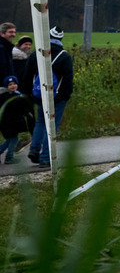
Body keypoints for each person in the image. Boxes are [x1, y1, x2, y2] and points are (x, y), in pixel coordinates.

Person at [28, 26, 73, 168]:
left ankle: (34, 150)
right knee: (52, 126)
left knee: (40, 122)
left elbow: (27, 75)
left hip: (39, 95)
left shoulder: (36, 54)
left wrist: (31, 94)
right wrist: (65, 96)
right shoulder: (64, 56)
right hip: (56, 97)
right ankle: (45, 158)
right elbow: (68, 79)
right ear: (61, 38)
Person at [0, 75, 33, 163]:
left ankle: (1, 150)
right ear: (6, 86)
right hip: (9, 123)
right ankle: (9, 157)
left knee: (10, 139)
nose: (13, 86)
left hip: (12, 123)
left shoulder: (16, 94)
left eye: (14, 83)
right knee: (14, 139)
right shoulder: (7, 96)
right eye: (10, 84)